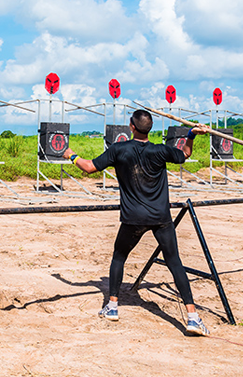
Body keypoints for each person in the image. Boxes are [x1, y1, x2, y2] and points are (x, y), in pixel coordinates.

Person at [63, 109, 210, 336]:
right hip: (161, 218)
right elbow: (185, 153)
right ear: (148, 128)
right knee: (175, 263)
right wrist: (191, 133)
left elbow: (89, 167)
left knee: (119, 257)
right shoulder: (161, 150)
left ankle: (112, 306)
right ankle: (192, 317)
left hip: (133, 219)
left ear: (132, 127)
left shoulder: (119, 150)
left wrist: (71, 156)